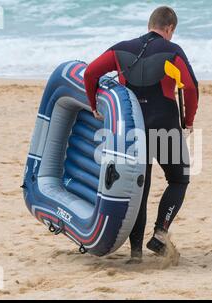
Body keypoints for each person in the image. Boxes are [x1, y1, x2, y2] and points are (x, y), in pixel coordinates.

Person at [84, 6, 199, 264]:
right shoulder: (172, 51)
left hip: (132, 129)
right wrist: (188, 120)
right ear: (169, 28)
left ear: (150, 24)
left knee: (141, 189)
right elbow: (190, 86)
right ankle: (160, 233)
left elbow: (90, 73)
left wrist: (94, 105)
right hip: (165, 126)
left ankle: (135, 254)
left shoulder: (121, 49)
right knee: (178, 179)